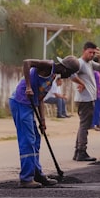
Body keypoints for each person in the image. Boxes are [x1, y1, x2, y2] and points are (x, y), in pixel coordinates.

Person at [9, 57, 79, 188]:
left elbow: (40, 98)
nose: (68, 77)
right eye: (69, 73)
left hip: (31, 104)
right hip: (20, 102)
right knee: (28, 140)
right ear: (65, 69)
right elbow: (26, 62)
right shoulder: (48, 65)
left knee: (36, 139)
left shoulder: (52, 76)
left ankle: (37, 174)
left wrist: (42, 120)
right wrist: (28, 87)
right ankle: (26, 178)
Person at [70, 41, 100, 162]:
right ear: (84, 51)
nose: (91, 55)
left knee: (83, 125)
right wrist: (81, 83)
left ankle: (77, 151)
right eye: (90, 52)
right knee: (85, 126)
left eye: (93, 53)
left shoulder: (90, 63)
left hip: (89, 98)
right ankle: (82, 151)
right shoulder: (80, 63)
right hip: (84, 99)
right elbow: (71, 75)